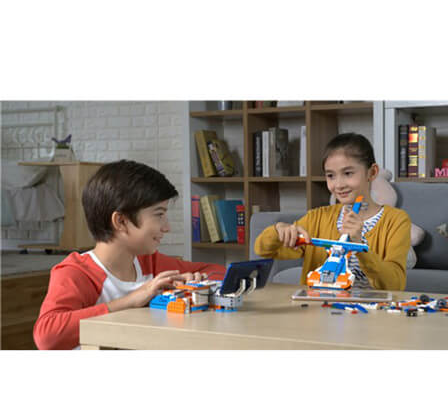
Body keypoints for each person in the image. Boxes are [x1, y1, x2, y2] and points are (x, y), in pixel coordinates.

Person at [33, 160, 226, 350]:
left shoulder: (150, 263)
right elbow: (47, 337)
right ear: (121, 221)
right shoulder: (77, 273)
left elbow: (217, 270)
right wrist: (131, 301)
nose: (167, 227)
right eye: (159, 215)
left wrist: (197, 281)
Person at [254, 133, 411, 291]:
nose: (338, 185)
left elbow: (395, 285)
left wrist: (360, 247)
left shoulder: (396, 221)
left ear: (372, 172)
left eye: (348, 173)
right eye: (330, 176)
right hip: (318, 305)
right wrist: (278, 230)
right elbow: (263, 250)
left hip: (372, 306)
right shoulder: (317, 218)